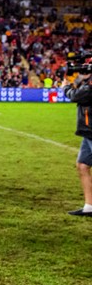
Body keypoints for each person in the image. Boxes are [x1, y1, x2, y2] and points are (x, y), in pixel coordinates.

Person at [63, 70, 92, 216]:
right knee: (82, 165)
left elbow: (75, 95)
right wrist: (80, 78)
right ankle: (89, 206)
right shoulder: (88, 82)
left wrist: (65, 87)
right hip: (88, 131)